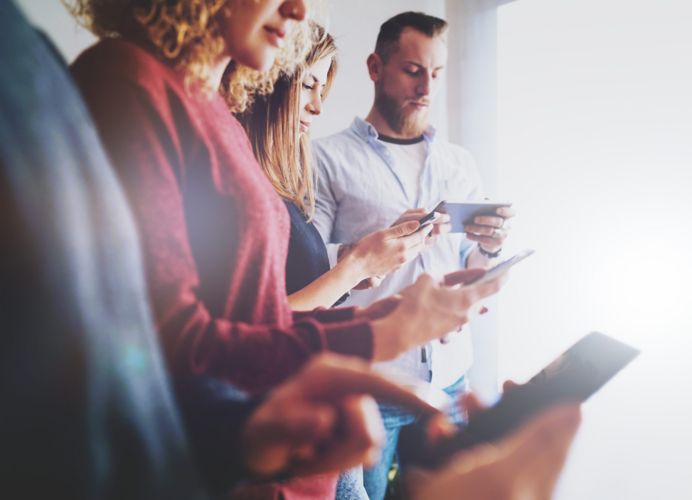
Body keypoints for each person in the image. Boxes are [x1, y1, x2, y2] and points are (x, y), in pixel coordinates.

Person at [67, 1, 505, 498]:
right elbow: (168, 348)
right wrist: (373, 334)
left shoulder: (216, 112)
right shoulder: (128, 82)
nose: (297, 9)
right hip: (230, 466)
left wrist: (386, 319)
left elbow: (260, 316)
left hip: (285, 457)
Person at [312, 11, 516, 499]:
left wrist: (487, 250)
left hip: (449, 381)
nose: (427, 86)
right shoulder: (324, 159)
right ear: (375, 67)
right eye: (412, 69)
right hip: (371, 385)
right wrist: (372, 250)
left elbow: (471, 266)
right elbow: (307, 263)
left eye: (437, 73)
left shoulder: (459, 163)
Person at [237, 23, 435, 312]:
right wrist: (358, 265)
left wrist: (357, 264)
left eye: (321, 91)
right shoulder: (241, 187)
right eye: (307, 85)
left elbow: (293, 281)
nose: (317, 106)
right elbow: (261, 324)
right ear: (267, 83)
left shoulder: (278, 185)